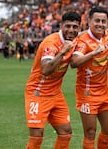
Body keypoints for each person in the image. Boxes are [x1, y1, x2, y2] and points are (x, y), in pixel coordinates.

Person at [24, 12, 81, 149]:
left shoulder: (76, 40)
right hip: (38, 93)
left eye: (75, 27)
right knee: (37, 135)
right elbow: (46, 70)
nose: (71, 30)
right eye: (68, 26)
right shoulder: (51, 43)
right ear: (61, 26)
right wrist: (62, 52)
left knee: (66, 132)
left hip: (56, 93)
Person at [70, 7, 108, 148]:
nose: (100, 24)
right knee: (90, 132)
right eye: (97, 21)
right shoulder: (83, 41)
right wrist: (93, 53)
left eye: (103, 21)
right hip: (87, 93)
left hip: (103, 92)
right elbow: (74, 62)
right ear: (89, 21)